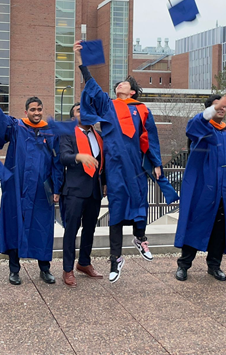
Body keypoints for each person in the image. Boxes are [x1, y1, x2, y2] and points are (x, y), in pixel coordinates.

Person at [74, 42, 164, 283]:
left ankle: (140, 238)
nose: (119, 85)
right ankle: (115, 260)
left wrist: (156, 163)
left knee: (138, 201)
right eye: (118, 84)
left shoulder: (142, 109)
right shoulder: (108, 105)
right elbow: (92, 87)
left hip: (134, 165)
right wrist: (82, 63)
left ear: (132, 91)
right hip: (114, 165)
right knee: (116, 208)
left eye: (124, 83)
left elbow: (150, 137)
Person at [0, 96, 63, 285]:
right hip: (17, 188)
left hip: (41, 190)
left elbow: (57, 162)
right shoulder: (16, 128)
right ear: (26, 111)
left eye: (39, 109)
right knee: (14, 226)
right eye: (33, 109)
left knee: (43, 228)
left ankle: (44, 269)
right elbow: (0, 121)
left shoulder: (51, 132)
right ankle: (14, 270)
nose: (36, 113)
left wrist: (57, 187)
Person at [174, 94, 226, 282]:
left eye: (223, 107)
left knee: (219, 230)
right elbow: (194, 123)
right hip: (202, 189)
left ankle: (214, 266)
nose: (221, 109)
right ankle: (184, 265)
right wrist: (214, 107)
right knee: (194, 224)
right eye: (216, 106)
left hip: (224, 189)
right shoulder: (201, 129)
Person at [59, 103, 106, 287]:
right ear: (73, 117)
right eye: (79, 110)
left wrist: (105, 184)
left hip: (94, 190)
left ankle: (84, 263)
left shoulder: (98, 135)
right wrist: (79, 156)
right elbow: (63, 156)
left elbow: (104, 162)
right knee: (71, 230)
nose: (83, 112)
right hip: (75, 190)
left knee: (90, 229)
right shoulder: (68, 134)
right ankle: (68, 269)